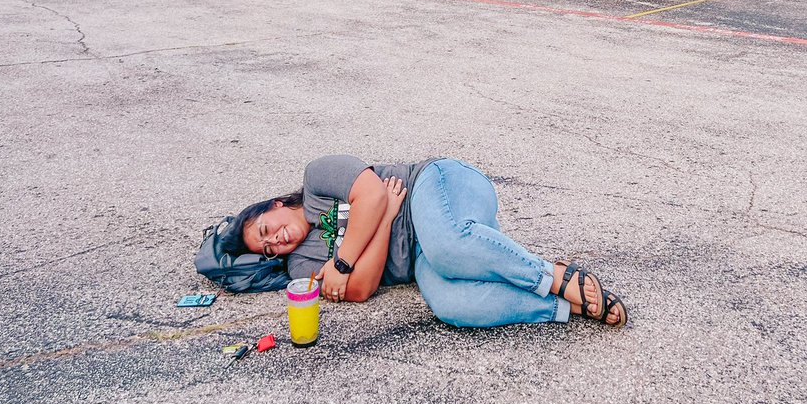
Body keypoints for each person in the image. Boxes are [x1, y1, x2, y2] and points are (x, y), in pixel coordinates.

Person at [226, 154, 628, 328]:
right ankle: (564, 307)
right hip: (419, 257)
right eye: (268, 249)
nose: (277, 241)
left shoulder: (317, 179)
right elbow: (363, 287)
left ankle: (554, 275)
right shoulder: (301, 267)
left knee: (448, 247)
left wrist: (344, 260)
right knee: (453, 306)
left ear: (275, 205)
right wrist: (381, 221)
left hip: (435, 185)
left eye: (267, 229)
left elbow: (374, 193)